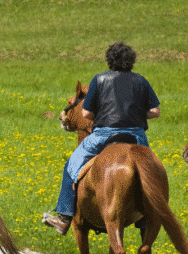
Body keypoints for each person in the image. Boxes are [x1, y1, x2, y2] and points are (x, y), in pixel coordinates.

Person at [42, 42, 160, 235]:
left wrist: (104, 115)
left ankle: (64, 217)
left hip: (103, 135)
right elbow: (155, 112)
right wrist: (137, 114)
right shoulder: (141, 81)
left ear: (109, 60)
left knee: (71, 166)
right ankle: (149, 217)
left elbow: (87, 114)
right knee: (152, 173)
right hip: (135, 136)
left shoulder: (99, 79)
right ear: (132, 61)